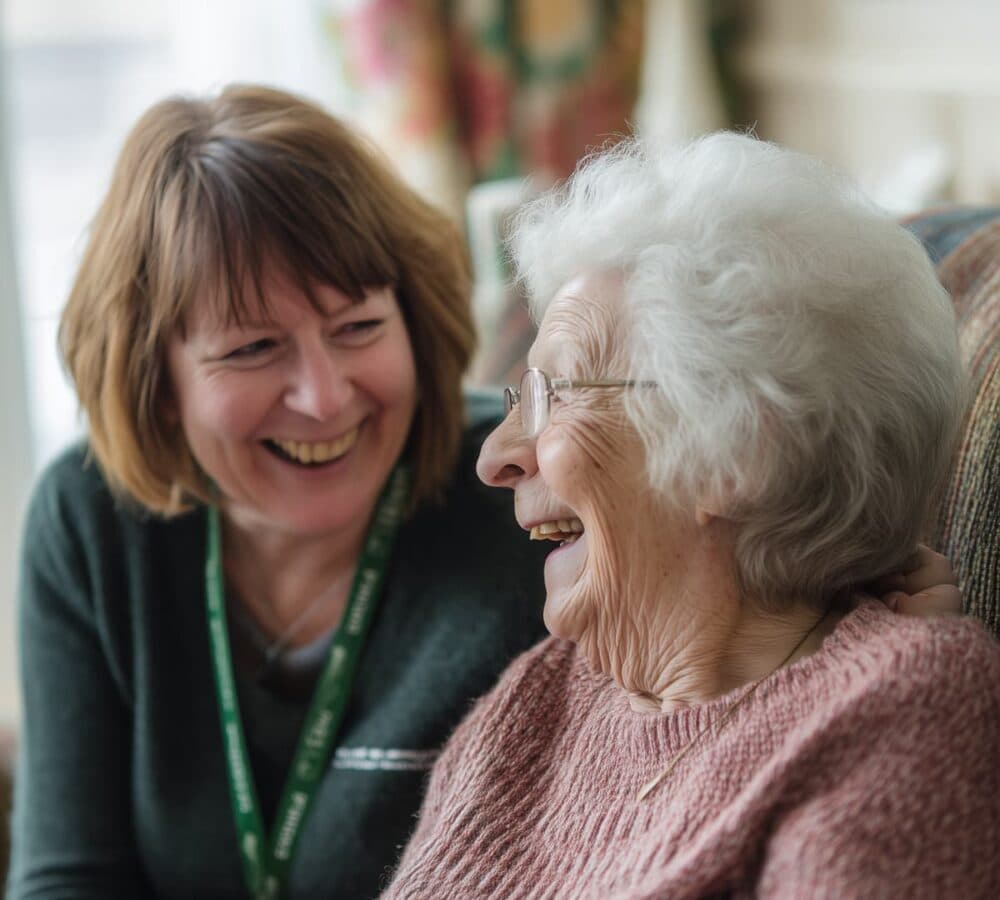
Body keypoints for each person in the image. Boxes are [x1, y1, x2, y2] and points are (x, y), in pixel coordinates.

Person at [6, 87, 961, 900]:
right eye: (253, 347)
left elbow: (747, 584)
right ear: (154, 382)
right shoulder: (538, 694)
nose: (325, 395)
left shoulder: (573, 534)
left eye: (356, 326)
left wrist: (854, 586)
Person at [384, 134, 1000, 898]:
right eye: (519, 400)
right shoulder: (537, 702)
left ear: (732, 450)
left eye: (557, 396)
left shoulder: (891, 711)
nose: (497, 456)